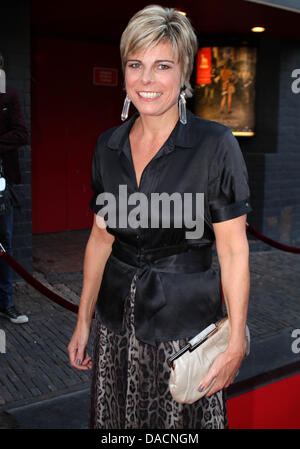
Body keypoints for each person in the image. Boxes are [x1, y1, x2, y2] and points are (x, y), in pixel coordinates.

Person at [68, 5, 252, 429]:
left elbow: (233, 248)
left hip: (184, 336)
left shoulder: (214, 145)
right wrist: (82, 322)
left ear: (183, 72)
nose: (146, 80)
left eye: (161, 65)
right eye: (136, 64)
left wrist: (237, 339)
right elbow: (101, 240)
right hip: (115, 331)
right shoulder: (107, 147)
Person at [0, 52, 29, 324]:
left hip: (2, 183)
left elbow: (22, 133)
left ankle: (6, 302)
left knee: (4, 243)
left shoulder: (8, 96)